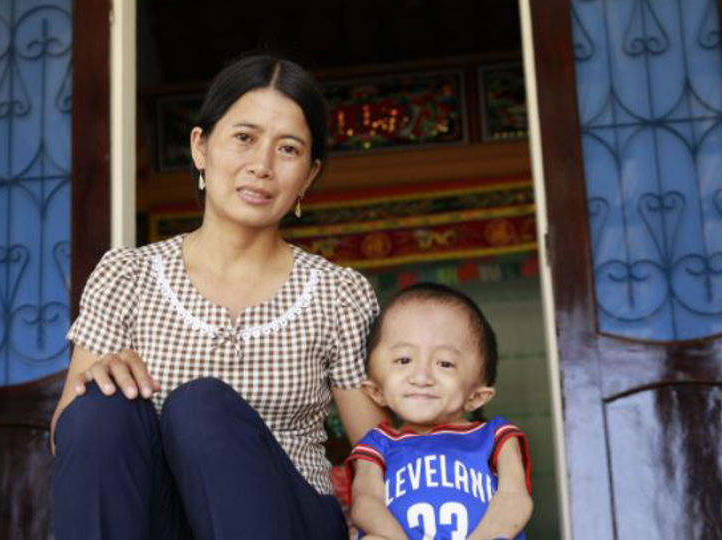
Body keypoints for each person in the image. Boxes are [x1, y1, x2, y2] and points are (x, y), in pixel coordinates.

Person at [50, 53, 389, 540]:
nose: (262, 166)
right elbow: (72, 444)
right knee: (101, 405)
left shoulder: (337, 293)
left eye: (288, 149)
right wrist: (93, 382)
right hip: (158, 520)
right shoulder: (126, 274)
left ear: (308, 177)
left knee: (201, 406)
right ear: (201, 147)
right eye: (244, 138)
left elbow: (376, 451)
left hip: (287, 517)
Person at [347, 283, 533, 540]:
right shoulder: (378, 444)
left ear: (476, 396)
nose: (422, 376)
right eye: (404, 360)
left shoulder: (495, 435)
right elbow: (365, 502)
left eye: (445, 363)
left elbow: (514, 498)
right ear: (376, 391)